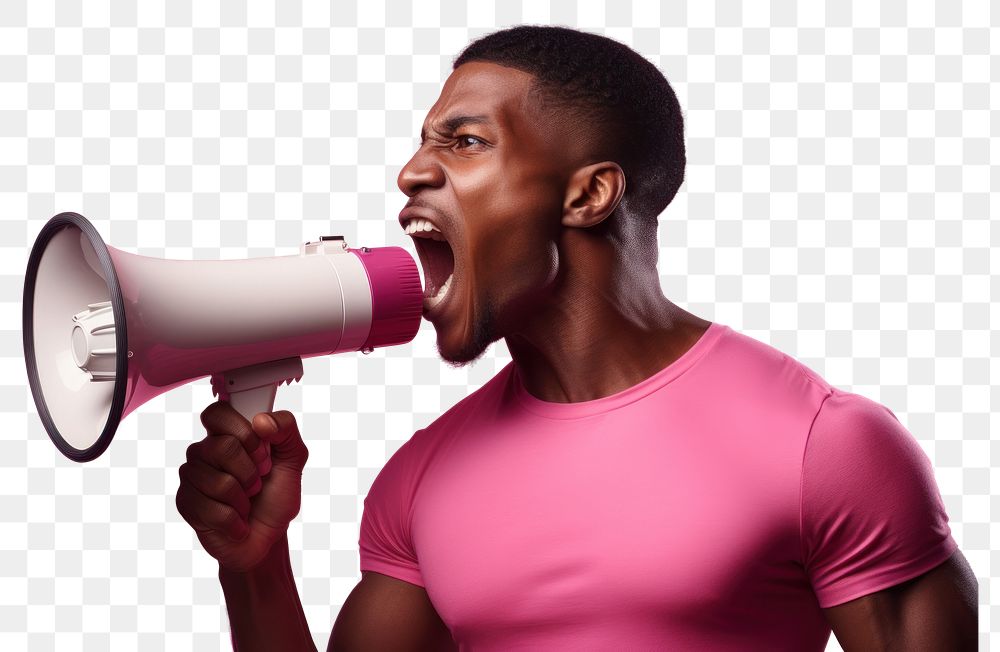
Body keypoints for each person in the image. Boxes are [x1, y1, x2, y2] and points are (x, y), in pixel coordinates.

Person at [175, 25, 978, 651]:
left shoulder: (826, 445)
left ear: (590, 193)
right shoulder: (421, 477)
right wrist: (254, 565)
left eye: (464, 142)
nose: (412, 173)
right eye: (423, 142)